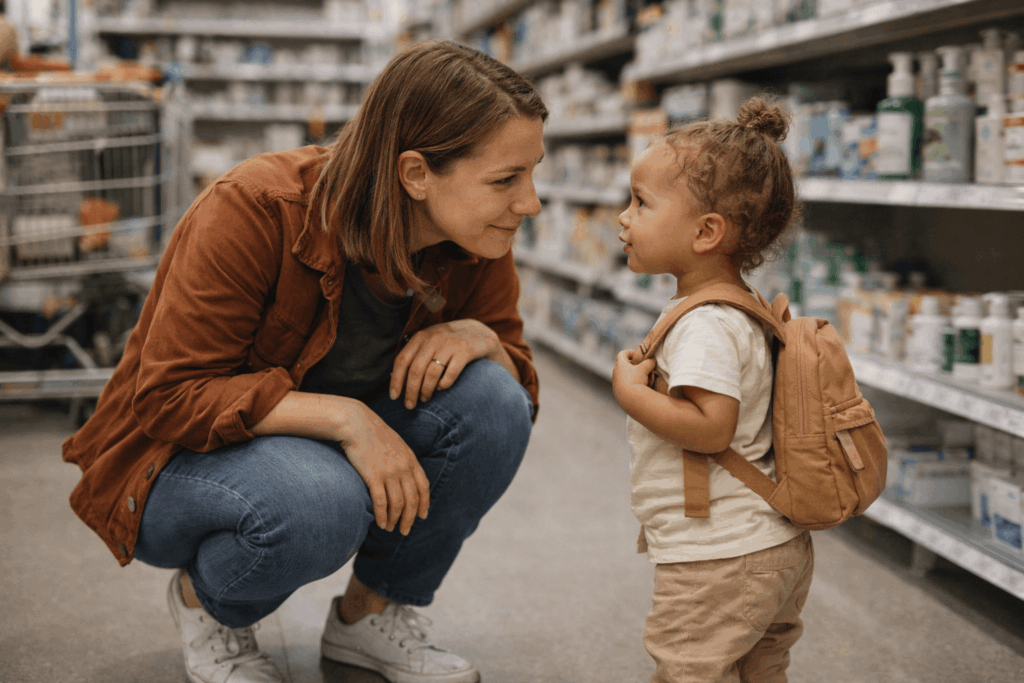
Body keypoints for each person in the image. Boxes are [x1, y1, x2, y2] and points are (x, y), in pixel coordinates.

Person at [61, 41, 546, 683]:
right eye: (506, 180)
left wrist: (485, 341)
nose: (530, 203)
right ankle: (209, 607)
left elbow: (521, 382)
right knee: (321, 499)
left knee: (493, 403)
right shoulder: (255, 208)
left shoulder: (474, 239)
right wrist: (347, 419)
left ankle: (367, 620)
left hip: (308, 448)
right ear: (416, 174)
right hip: (176, 465)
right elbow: (169, 398)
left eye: (532, 171)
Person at [611, 97, 815, 683]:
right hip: (772, 546)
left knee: (689, 672)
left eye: (641, 203)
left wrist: (629, 392)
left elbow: (712, 428)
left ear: (706, 232)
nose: (624, 217)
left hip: (719, 558)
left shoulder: (703, 325)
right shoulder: (742, 306)